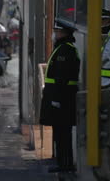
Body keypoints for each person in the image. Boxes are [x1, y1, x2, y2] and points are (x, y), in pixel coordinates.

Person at [39, 21, 80, 173]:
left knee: (63, 133)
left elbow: (61, 77)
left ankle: (65, 164)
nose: (54, 34)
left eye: (57, 31)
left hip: (62, 98)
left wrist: (57, 99)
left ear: (64, 33)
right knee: (60, 132)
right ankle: (63, 163)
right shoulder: (62, 48)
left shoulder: (65, 51)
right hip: (60, 97)